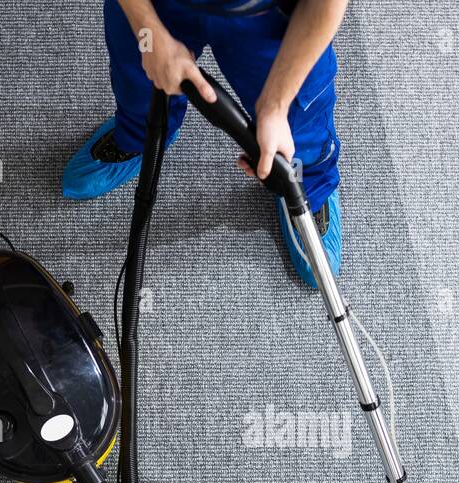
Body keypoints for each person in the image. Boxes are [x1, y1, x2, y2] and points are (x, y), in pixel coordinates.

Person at [62, 0, 347, 288]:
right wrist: (147, 31)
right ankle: (138, 137)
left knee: (299, 129)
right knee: (141, 81)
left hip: (268, 15)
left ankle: (307, 185)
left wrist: (276, 105)